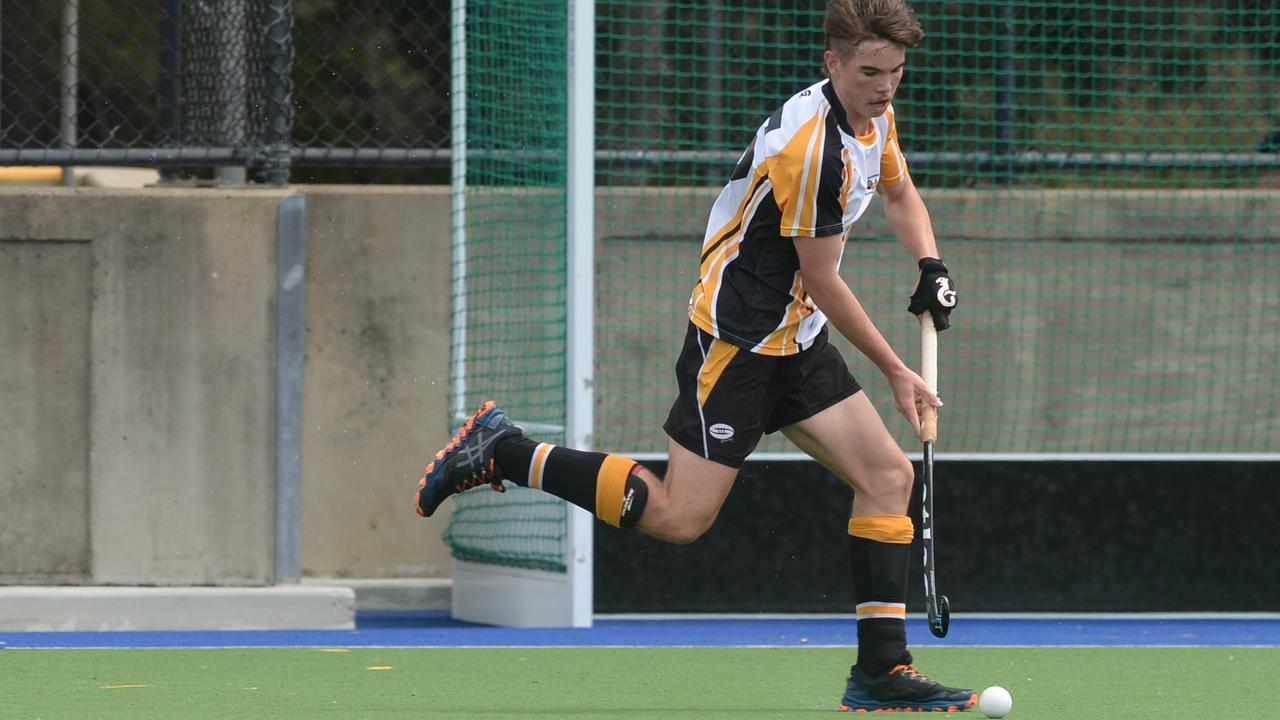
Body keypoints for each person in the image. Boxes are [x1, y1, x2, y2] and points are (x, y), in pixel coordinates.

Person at [415, 0, 972, 712]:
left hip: (794, 340)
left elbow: (898, 191)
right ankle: (504, 451)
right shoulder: (814, 151)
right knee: (680, 516)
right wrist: (897, 370)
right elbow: (825, 279)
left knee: (888, 478)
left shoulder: (870, 117)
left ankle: (881, 674)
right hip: (737, 344)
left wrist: (930, 264)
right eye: (870, 71)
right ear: (831, 63)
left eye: (895, 71)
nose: (886, 85)